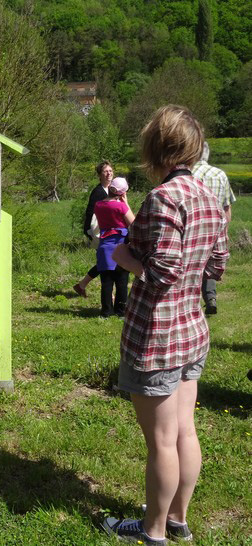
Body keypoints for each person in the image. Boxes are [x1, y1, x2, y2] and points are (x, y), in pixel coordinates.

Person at [101, 105, 229, 544]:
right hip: (193, 330)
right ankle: (177, 519)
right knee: (184, 431)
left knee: (161, 441)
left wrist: (123, 258)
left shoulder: (161, 198)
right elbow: (217, 265)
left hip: (156, 336)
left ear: (157, 148)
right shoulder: (211, 198)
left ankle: (154, 531)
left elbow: (161, 272)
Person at [192, 141, 236, 315]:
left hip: (194, 227)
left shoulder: (188, 174)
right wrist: (224, 231)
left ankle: (192, 303)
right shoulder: (220, 174)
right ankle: (210, 297)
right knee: (210, 266)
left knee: (193, 265)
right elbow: (227, 207)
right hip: (215, 228)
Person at [94, 177, 134, 317]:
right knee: (122, 281)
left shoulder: (98, 205)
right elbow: (133, 224)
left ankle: (106, 311)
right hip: (120, 246)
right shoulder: (121, 206)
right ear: (122, 193)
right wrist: (126, 204)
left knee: (106, 282)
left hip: (104, 246)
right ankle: (121, 311)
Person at [73, 161, 113, 298]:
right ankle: (108, 294)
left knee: (105, 261)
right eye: (105, 171)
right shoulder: (98, 192)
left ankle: (82, 285)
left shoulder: (111, 190)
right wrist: (90, 232)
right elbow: (90, 212)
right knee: (107, 262)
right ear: (99, 175)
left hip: (109, 232)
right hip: (99, 232)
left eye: (110, 171)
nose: (109, 174)